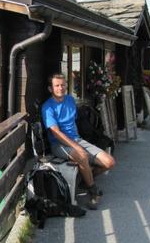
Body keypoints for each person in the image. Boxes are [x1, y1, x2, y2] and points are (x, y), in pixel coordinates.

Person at [41, 73, 115, 210]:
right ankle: (93, 191)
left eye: (63, 85)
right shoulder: (47, 107)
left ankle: (84, 179)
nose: (60, 88)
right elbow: (55, 133)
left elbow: (75, 122)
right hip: (59, 145)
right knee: (81, 155)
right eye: (56, 86)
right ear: (50, 89)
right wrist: (77, 147)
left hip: (77, 140)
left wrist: (80, 143)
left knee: (109, 162)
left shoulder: (70, 100)